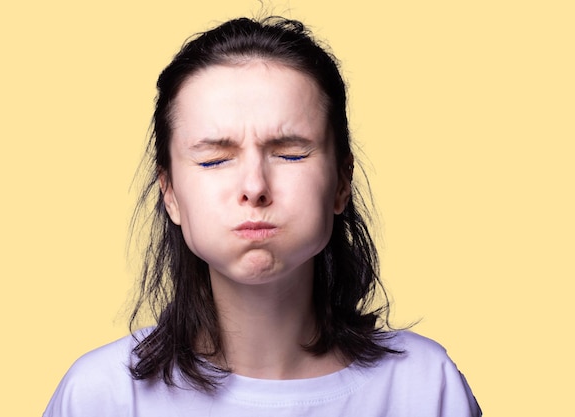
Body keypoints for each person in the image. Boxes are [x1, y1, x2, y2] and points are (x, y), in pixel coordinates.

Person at [44, 16, 481, 416]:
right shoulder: (101, 396)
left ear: (341, 181)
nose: (254, 186)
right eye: (215, 159)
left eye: (290, 153)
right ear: (170, 193)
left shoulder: (425, 388)